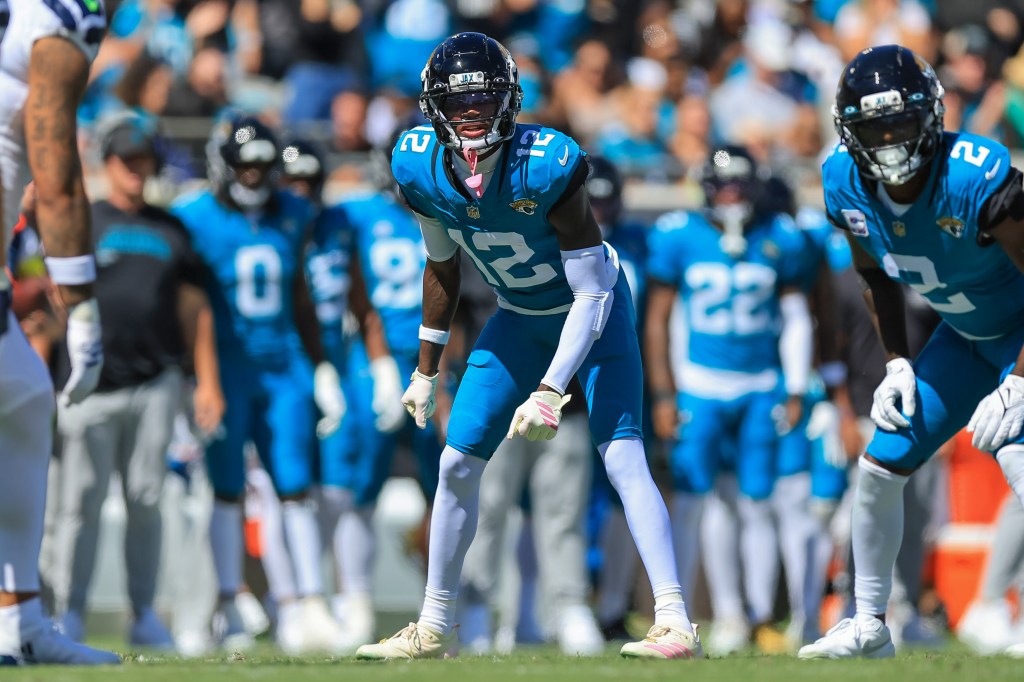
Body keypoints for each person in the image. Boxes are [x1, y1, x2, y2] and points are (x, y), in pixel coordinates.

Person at [356, 31, 701, 661]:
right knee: (456, 463)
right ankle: (434, 626)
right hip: (519, 317)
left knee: (622, 458)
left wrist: (551, 388)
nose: (472, 114)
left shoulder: (547, 162)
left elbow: (593, 292)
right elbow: (442, 267)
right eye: (459, 102)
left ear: (509, 101)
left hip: (594, 317)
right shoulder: (418, 165)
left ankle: (675, 620)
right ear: (433, 105)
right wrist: (425, 369)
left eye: (484, 101)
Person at [799, 44, 1024, 660]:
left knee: (1019, 468)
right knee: (878, 469)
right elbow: (875, 276)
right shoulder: (844, 180)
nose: (891, 140)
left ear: (932, 115)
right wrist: (898, 360)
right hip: (964, 337)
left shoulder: (974, 175)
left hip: (1018, 337)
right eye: (874, 129)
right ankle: (869, 621)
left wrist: (1022, 377)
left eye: (900, 122)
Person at [171, 113, 347, 653]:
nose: (254, 176)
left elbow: (300, 297)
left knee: (293, 484)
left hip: (283, 365)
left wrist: (320, 367)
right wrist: (190, 375)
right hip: (224, 367)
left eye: (263, 166)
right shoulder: (194, 217)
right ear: (224, 167)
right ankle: (230, 605)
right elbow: (182, 300)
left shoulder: (293, 213)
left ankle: (305, 604)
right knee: (226, 487)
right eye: (244, 166)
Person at [48, 111, 224, 649]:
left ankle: (144, 613)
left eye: (143, 160)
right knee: (77, 506)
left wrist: (207, 380)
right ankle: (65, 611)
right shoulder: (84, 220)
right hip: (88, 386)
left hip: (155, 382)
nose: (135, 169)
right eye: (126, 160)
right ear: (107, 163)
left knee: (148, 501)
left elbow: (195, 307)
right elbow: (54, 300)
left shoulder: (171, 228)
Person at [644, 146, 816, 655]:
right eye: (723, 185)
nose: (732, 195)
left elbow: (797, 317)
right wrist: (664, 391)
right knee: (702, 500)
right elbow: (660, 320)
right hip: (700, 382)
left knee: (757, 501)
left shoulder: (780, 236)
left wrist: (797, 384)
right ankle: (724, 613)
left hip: (761, 383)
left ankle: (760, 614)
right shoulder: (681, 234)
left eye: (740, 185)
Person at [0, 0, 119, 665]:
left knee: (22, 400)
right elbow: (55, 166)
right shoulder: (65, 11)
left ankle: (19, 623)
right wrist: (81, 307)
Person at [274, 136, 407, 652]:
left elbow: (359, 300)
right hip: (286, 365)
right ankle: (291, 605)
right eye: (292, 183)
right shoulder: (272, 227)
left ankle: (351, 601)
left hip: (335, 362)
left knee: (341, 488)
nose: (301, 192)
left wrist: (380, 367)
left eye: (309, 182)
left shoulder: (336, 224)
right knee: (283, 486)